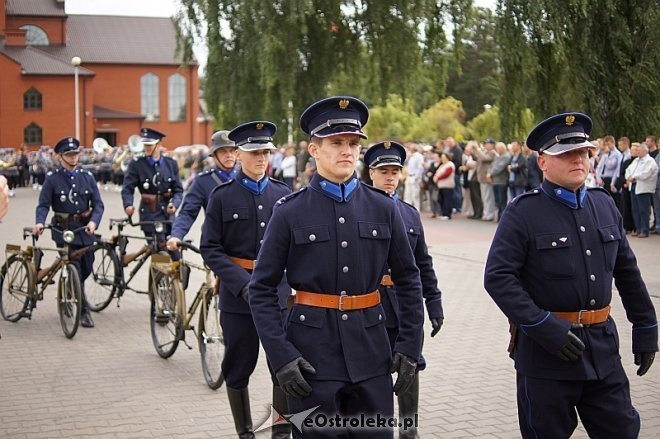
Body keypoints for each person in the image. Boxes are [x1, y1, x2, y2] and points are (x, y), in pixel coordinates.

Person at [248, 96, 424, 438]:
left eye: (353, 143)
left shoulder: (383, 208)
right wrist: (280, 354)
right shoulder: (289, 211)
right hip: (311, 355)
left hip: (372, 352)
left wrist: (409, 345)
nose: (347, 150)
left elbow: (408, 278)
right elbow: (262, 287)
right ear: (314, 150)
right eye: (336, 142)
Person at [484, 113, 657, 439]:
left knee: (623, 431)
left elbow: (628, 272)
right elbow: (498, 277)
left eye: (583, 151)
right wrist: (542, 326)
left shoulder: (604, 204)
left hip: (603, 352)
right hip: (546, 359)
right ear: (543, 162)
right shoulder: (523, 212)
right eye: (566, 153)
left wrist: (646, 327)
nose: (578, 158)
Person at [200, 121, 292, 439]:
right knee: (239, 367)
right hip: (239, 299)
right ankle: (245, 431)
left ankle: (281, 433)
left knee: (284, 366)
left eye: (265, 151)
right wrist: (241, 283)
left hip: (278, 296)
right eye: (254, 152)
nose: (261, 158)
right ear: (238, 154)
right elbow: (210, 248)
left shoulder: (283, 194)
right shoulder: (222, 196)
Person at [365, 140, 444, 439]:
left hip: (404, 305)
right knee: (374, 375)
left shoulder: (410, 214)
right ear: (370, 173)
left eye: (395, 171)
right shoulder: (362, 208)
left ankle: (409, 431)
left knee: (411, 366)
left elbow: (423, 262)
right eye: (383, 171)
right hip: (372, 306)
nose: (389, 177)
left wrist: (433, 302)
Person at [32, 137, 104, 328]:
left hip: (84, 230)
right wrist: (39, 222)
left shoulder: (87, 177)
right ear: (60, 157)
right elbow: (43, 205)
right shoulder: (52, 179)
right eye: (69, 155)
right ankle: (83, 311)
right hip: (63, 231)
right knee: (76, 267)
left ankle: (73, 292)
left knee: (87, 266)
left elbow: (98, 204)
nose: (73, 158)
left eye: (75, 154)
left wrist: (94, 222)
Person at [166, 130, 237, 251]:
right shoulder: (203, 181)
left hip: (245, 245)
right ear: (214, 155)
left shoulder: (246, 177)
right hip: (217, 245)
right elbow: (188, 212)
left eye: (232, 150)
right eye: (223, 151)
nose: (229, 155)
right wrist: (176, 235)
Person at [121, 128, 183, 255]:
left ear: (159, 145)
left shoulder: (170, 163)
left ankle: (176, 275)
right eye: (145, 145)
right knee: (160, 255)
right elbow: (127, 188)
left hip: (168, 215)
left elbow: (178, 190)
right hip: (149, 215)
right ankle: (159, 274)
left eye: (150, 145)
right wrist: (128, 205)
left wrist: (175, 204)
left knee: (177, 253)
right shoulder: (137, 164)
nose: (147, 148)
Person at [625, 142, 658, 238]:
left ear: (645, 151)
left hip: (643, 187)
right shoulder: (636, 161)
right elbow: (628, 170)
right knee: (635, 209)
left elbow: (646, 173)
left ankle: (644, 229)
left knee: (643, 210)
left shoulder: (650, 161)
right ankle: (638, 228)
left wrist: (634, 177)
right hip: (634, 186)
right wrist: (629, 177)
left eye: (639, 150)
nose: (637, 152)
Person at [432, 151, 456, 219]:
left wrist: (438, 178)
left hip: (447, 185)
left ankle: (447, 214)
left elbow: (446, 174)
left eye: (444, 157)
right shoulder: (442, 165)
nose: (443, 159)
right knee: (442, 200)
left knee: (447, 200)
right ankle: (443, 213)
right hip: (441, 185)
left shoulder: (450, 165)